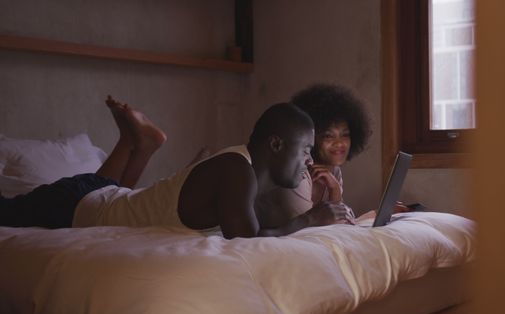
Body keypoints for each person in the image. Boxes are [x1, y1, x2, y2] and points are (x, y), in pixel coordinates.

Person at [0, 96, 352, 238]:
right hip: (68, 205)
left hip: (99, 195)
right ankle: (138, 143)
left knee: (113, 194)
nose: (310, 158)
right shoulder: (234, 169)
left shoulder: (251, 177)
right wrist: (309, 220)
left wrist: (324, 209)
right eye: (305, 148)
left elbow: (272, 223)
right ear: (275, 144)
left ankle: (137, 143)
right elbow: (247, 240)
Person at [255, 83, 373, 227]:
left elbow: (338, 224)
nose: (339, 143)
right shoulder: (297, 173)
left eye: (345, 135)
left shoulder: (333, 171)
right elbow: (307, 231)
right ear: (310, 138)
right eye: (328, 136)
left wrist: (335, 191)